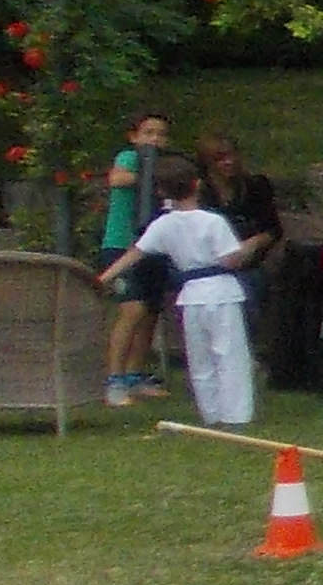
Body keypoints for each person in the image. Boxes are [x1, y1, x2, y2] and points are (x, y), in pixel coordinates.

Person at [105, 159, 253, 425]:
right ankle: (236, 415)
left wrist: (104, 277)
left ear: (162, 192)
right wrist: (245, 250)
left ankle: (211, 413)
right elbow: (230, 259)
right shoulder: (213, 221)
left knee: (200, 359)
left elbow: (135, 253)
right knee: (229, 354)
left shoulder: (163, 224)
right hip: (221, 291)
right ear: (197, 185)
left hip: (191, 295)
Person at [101, 106, 175, 402]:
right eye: (148, 133)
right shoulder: (129, 158)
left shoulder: (167, 166)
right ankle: (114, 378)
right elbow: (117, 179)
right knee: (132, 309)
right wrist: (148, 177)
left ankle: (135, 374)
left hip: (154, 246)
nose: (155, 139)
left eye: (161, 134)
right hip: (121, 244)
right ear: (134, 136)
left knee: (151, 311)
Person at [191, 130, 282, 365]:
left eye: (232, 155)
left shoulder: (255, 186)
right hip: (209, 264)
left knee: (249, 287)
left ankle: (242, 352)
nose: (228, 162)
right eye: (220, 159)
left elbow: (273, 229)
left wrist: (253, 243)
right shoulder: (199, 192)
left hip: (248, 261)